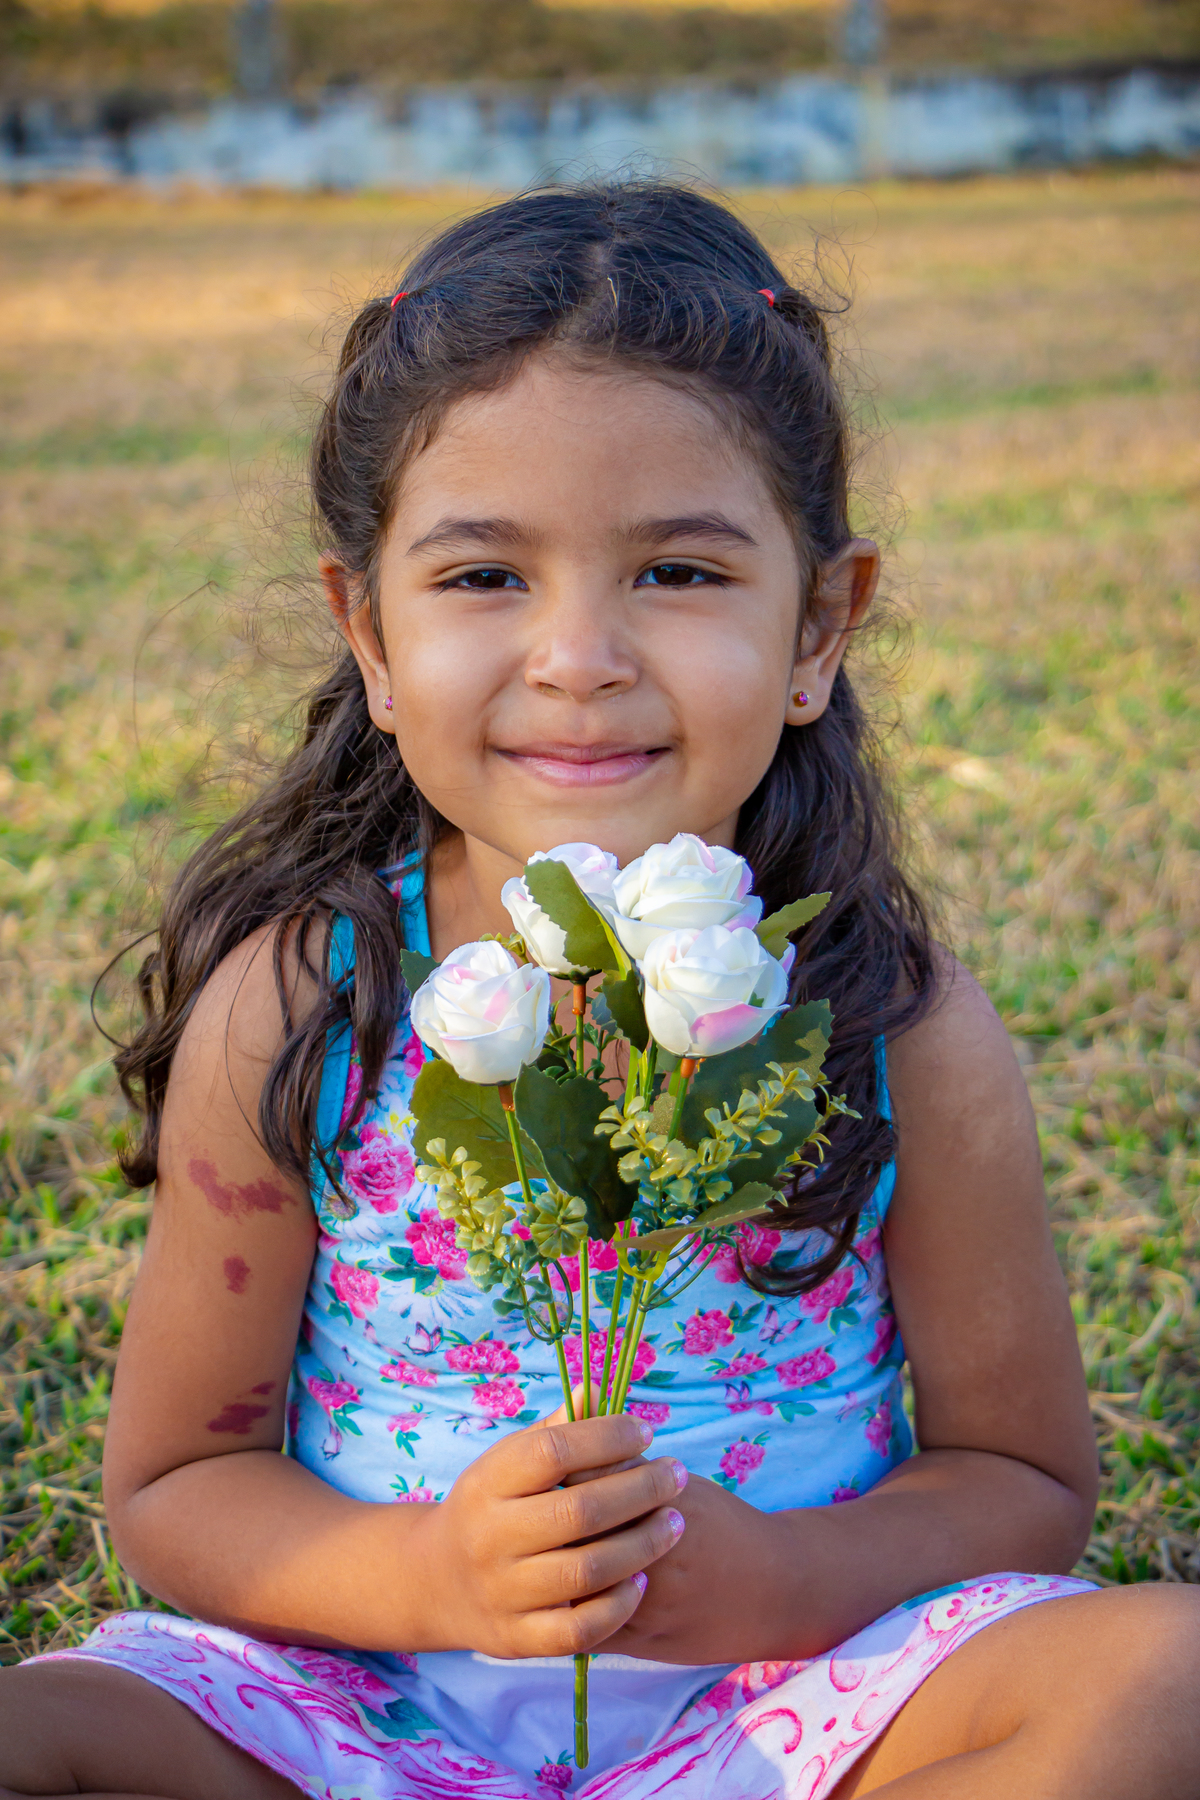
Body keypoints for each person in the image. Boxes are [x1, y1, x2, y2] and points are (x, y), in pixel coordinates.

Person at [3, 180, 1197, 1800]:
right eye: (484, 578)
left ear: (819, 627)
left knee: (1172, 1684)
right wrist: (432, 1578)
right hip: (355, 1717)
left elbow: (1024, 1476)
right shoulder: (305, 1004)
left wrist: (788, 1581)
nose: (579, 657)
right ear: (368, 631)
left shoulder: (896, 1026)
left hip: (804, 1711)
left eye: (680, 573)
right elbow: (172, 1488)